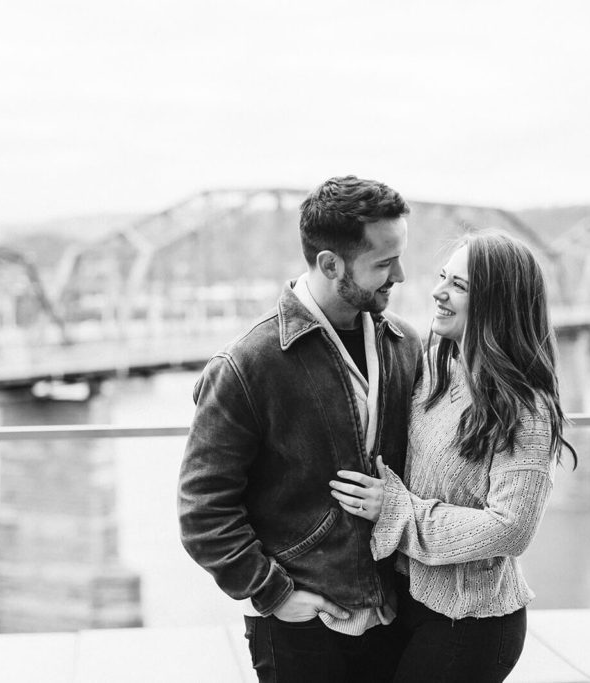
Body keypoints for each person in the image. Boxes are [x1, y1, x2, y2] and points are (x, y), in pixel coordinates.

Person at [178, 175, 423, 682]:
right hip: (303, 632)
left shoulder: (405, 344)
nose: (399, 273)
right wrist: (274, 593)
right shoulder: (248, 363)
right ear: (331, 264)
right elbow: (203, 509)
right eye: (383, 263)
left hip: (399, 613)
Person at [330, 230, 577, 683]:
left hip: (472, 623)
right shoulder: (435, 369)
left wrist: (396, 511)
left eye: (459, 286)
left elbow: (511, 529)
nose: (437, 292)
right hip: (408, 600)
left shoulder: (525, 407)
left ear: (498, 303)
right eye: (444, 277)